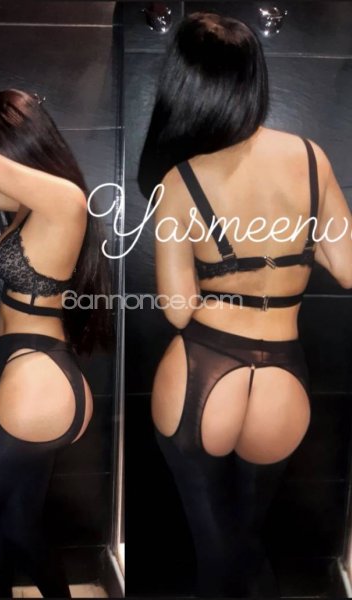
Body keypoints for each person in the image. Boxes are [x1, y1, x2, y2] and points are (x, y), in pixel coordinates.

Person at [138, 12, 352, 598]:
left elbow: (178, 309)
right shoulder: (310, 158)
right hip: (283, 372)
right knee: (247, 544)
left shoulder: (180, 179)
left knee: (214, 552)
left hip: (203, 368)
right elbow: (347, 267)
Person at [0, 89, 113, 598]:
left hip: (39, 377)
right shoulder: (26, 205)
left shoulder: (64, 200)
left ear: (17, 142)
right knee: (20, 520)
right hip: (31, 377)